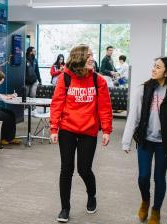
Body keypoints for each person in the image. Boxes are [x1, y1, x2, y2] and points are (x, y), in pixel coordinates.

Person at [49, 44, 113, 223]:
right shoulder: (65, 78)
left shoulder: (98, 80)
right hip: (67, 129)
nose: (92, 58)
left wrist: (106, 130)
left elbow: (105, 107)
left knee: (84, 169)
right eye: (89, 55)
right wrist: (54, 128)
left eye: (92, 55)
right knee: (66, 169)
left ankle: (91, 195)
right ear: (79, 58)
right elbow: (57, 104)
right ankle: (65, 208)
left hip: (89, 130)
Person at [122, 57, 167, 224]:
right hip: (145, 139)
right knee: (143, 176)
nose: (153, 69)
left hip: (164, 143)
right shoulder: (143, 89)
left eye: (157, 67)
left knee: (159, 177)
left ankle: (156, 210)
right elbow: (133, 116)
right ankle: (145, 200)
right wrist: (126, 140)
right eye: (154, 66)